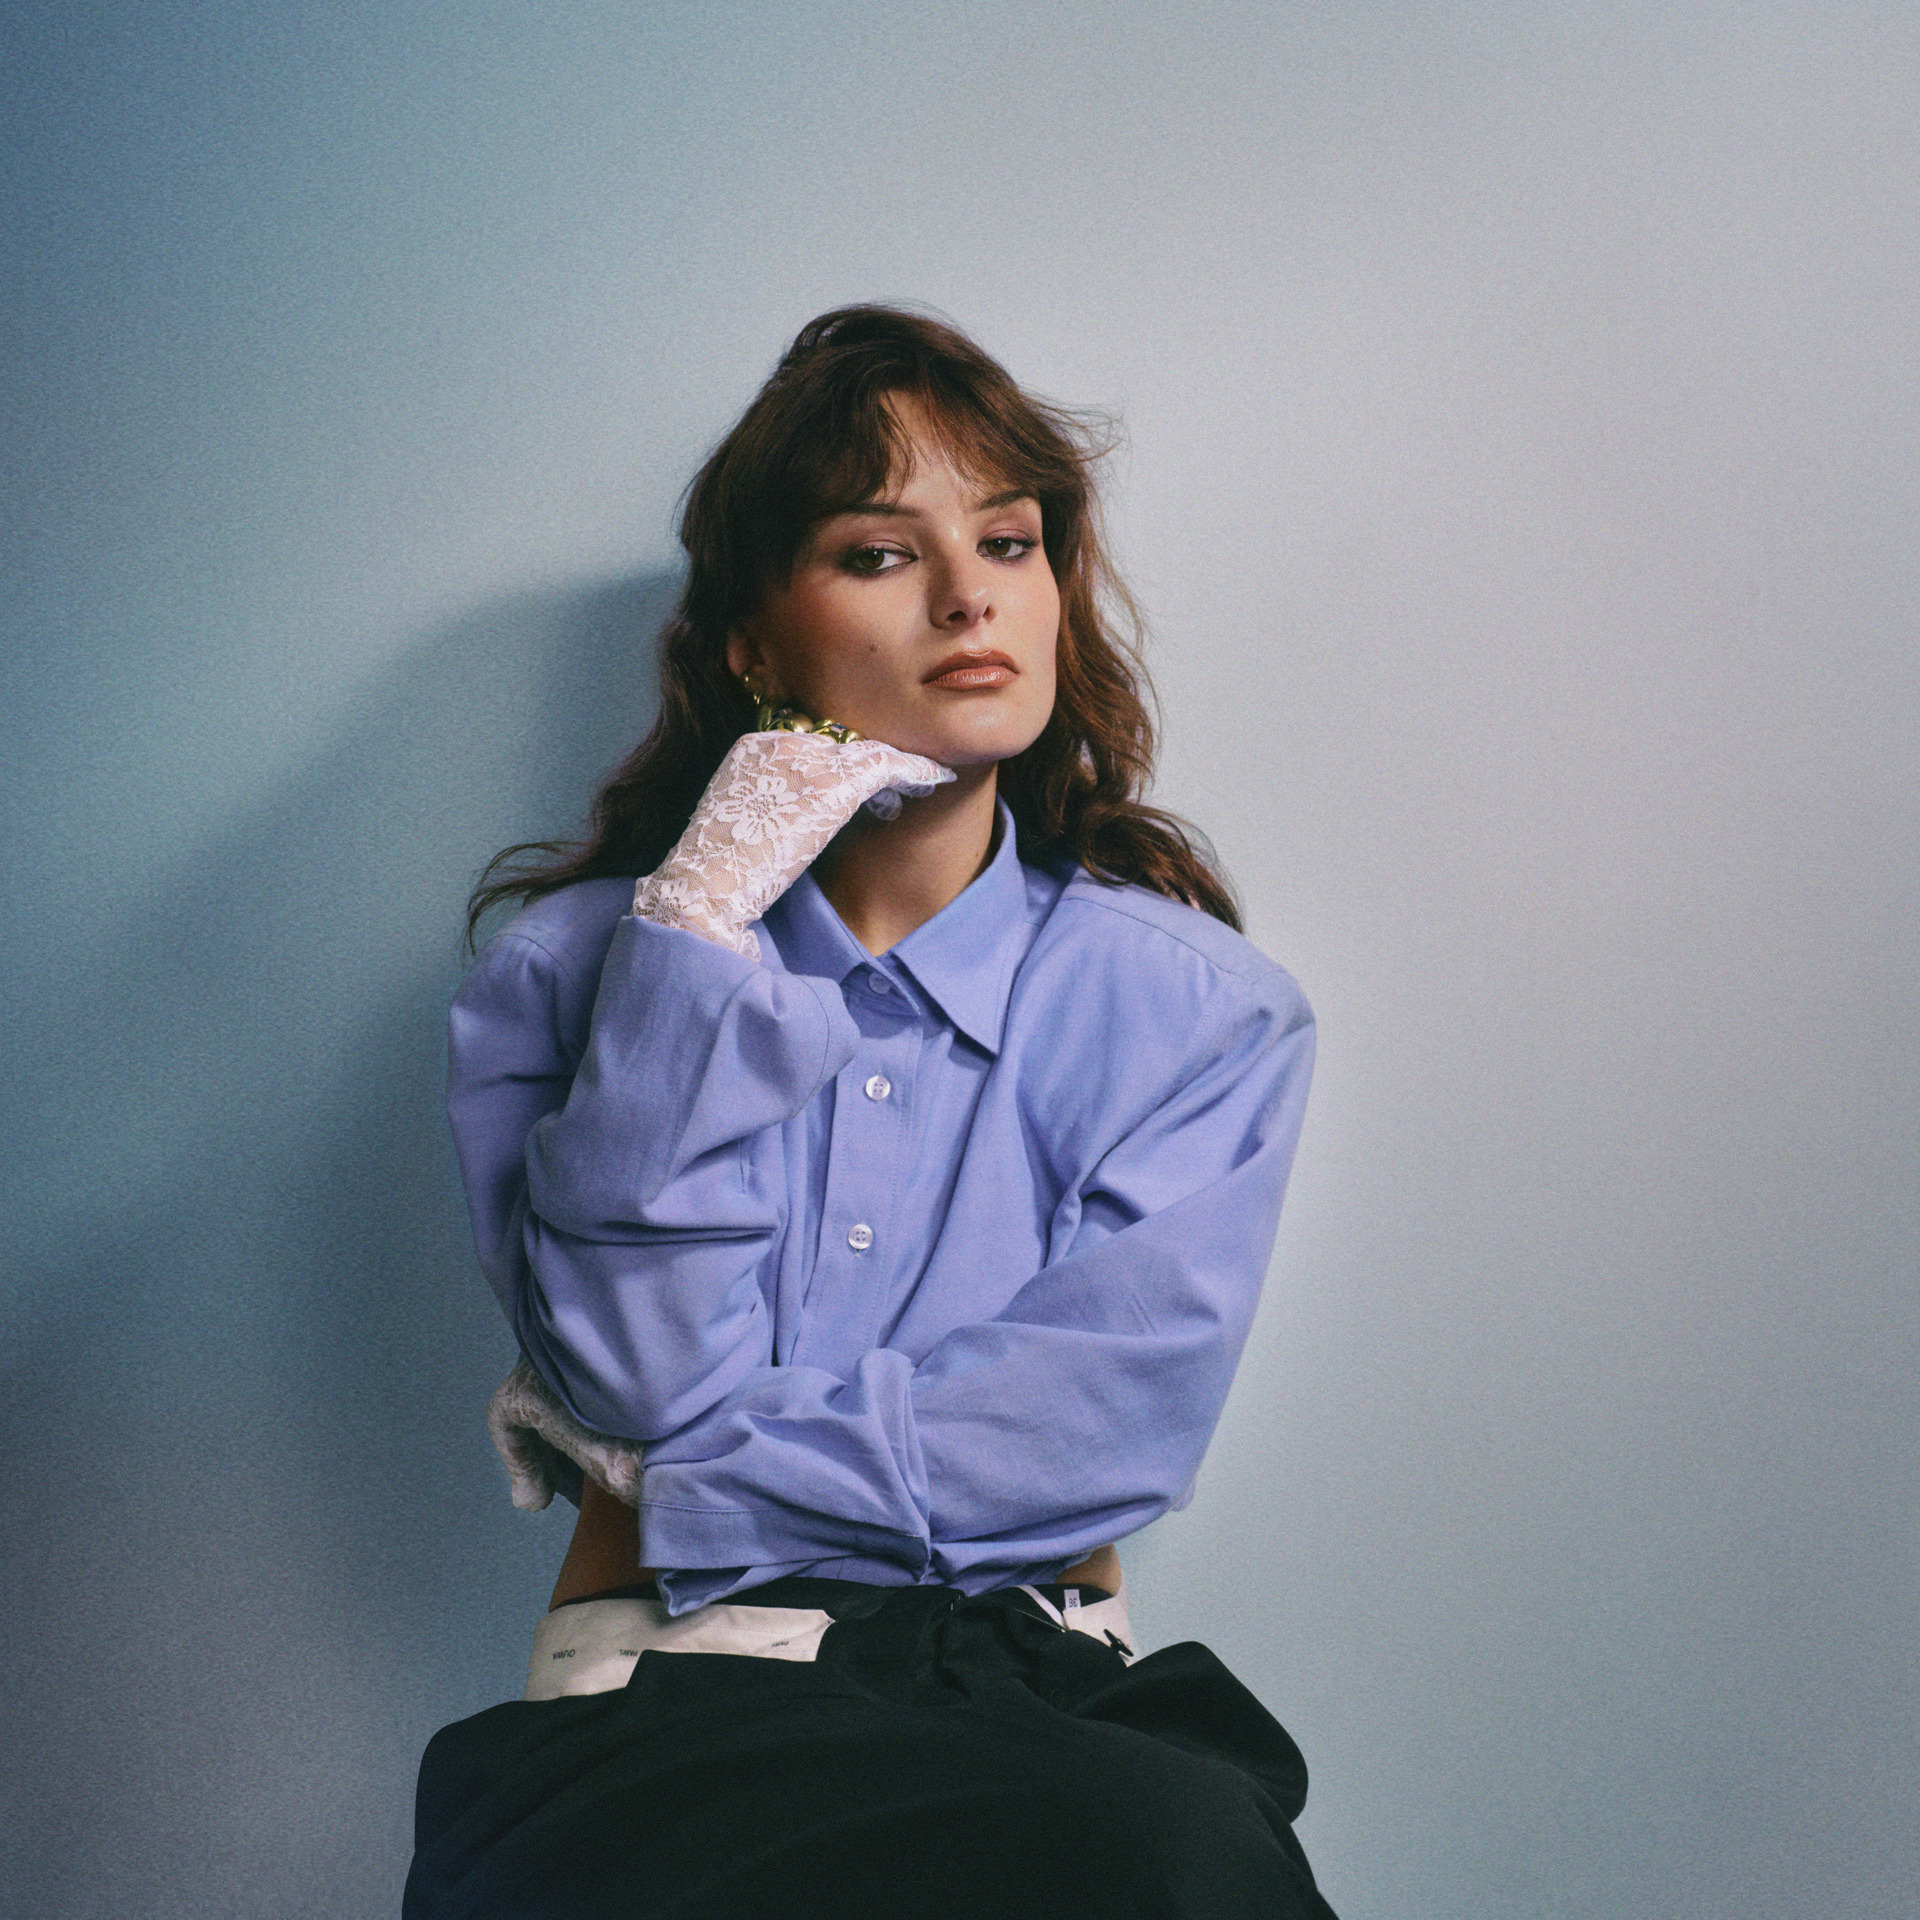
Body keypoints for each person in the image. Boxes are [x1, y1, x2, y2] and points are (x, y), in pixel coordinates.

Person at [404, 306, 1335, 1918]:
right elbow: (633, 1377)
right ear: (751, 644)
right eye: (880, 553)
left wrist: (677, 1489)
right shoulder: (567, 980)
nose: (971, 595)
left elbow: (1081, 1443)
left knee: (1181, 1857)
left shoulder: (1204, 1015)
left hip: (1045, 1705)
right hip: (653, 1701)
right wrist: (691, 933)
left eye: (1009, 542)